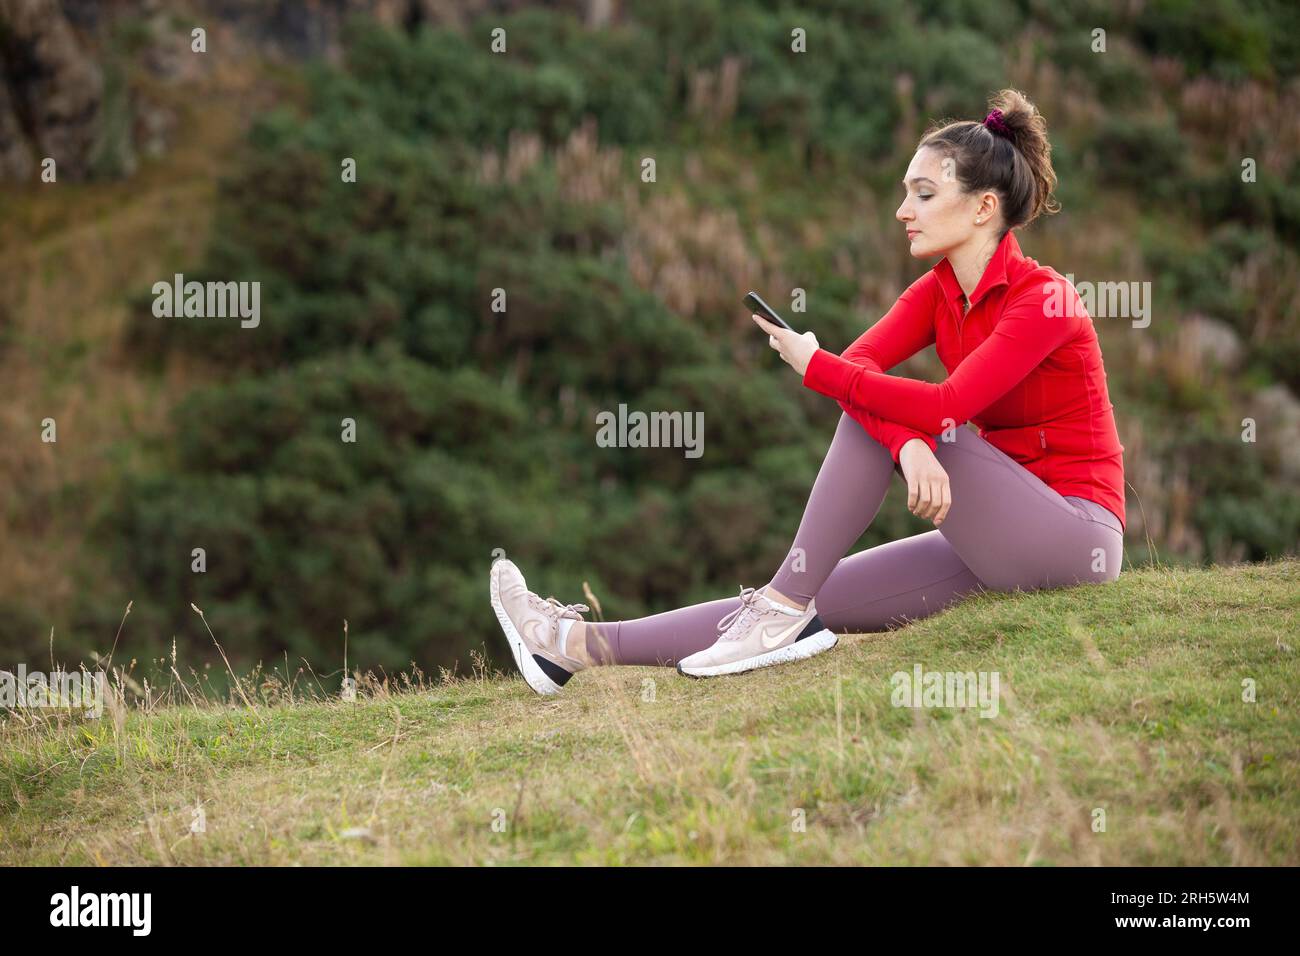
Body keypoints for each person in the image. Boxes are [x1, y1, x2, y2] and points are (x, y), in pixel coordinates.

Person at [489, 88, 1126, 695]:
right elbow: (863, 367)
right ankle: (570, 643)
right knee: (803, 587)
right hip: (992, 538)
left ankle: (781, 613)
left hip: (1075, 539)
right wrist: (908, 446)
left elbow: (943, 405)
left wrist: (818, 367)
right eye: (905, 193)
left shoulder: (1046, 300)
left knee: (863, 420)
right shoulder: (937, 292)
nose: (903, 211)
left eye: (924, 194)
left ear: (984, 207)